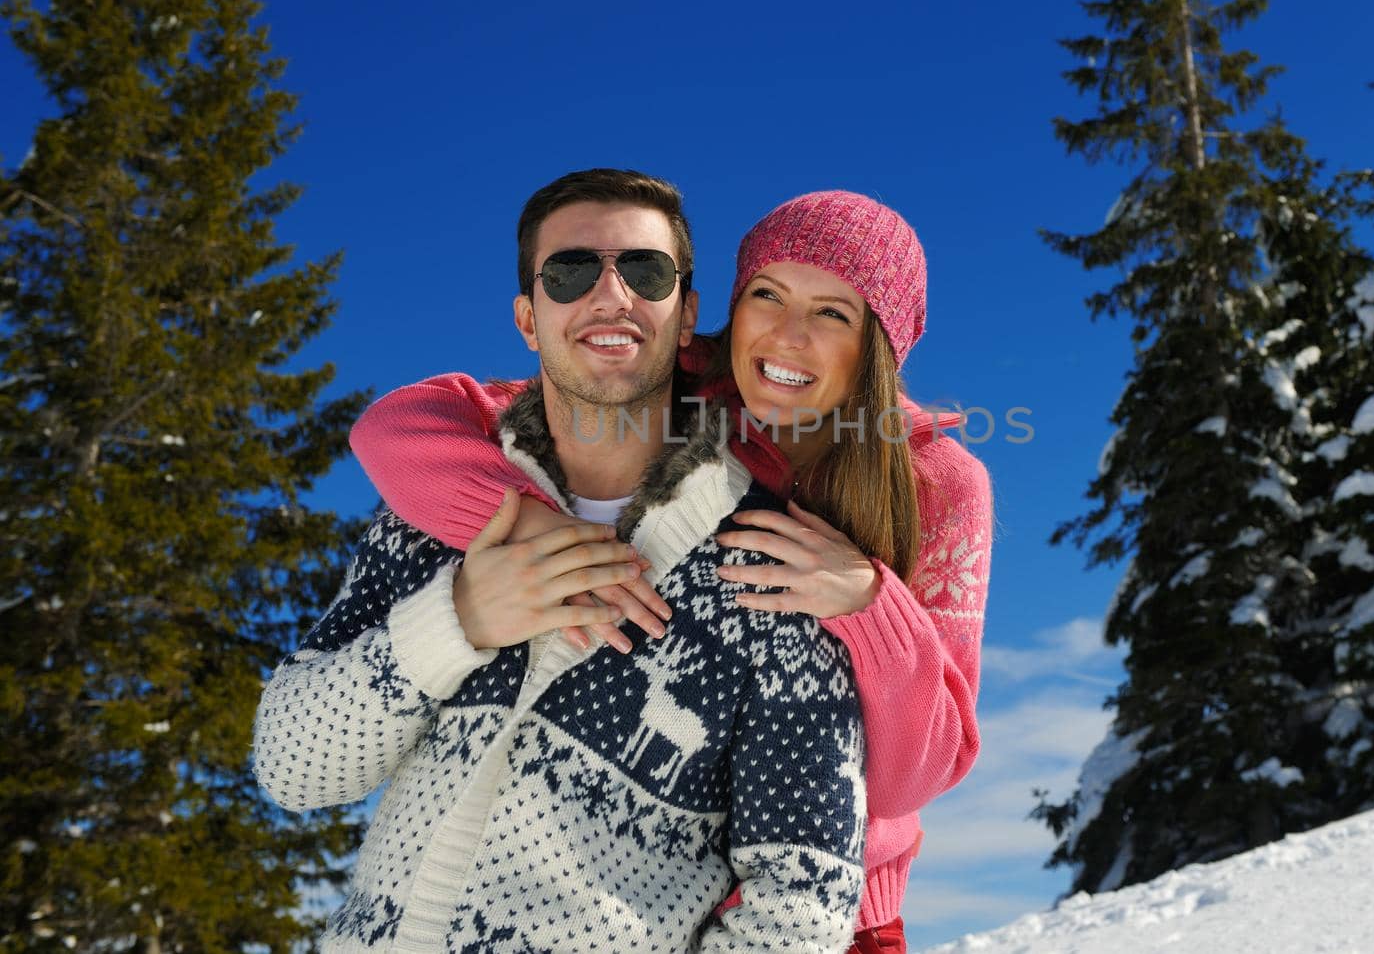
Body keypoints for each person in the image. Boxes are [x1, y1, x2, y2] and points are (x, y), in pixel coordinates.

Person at [351, 188, 993, 954]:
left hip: (825, 915)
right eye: (767, 295)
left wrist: (866, 601)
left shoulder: (934, 484)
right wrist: (523, 520)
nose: (788, 337)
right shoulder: (678, 389)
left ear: (879, 345)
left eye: (833, 313)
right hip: (629, 898)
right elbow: (400, 426)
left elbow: (916, 775)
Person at [252, 169, 867, 953]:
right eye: (571, 271)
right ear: (528, 319)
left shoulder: (776, 569)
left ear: (688, 319)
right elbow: (293, 767)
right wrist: (458, 618)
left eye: (645, 272)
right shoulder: (434, 519)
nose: (610, 295)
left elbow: (804, 905)